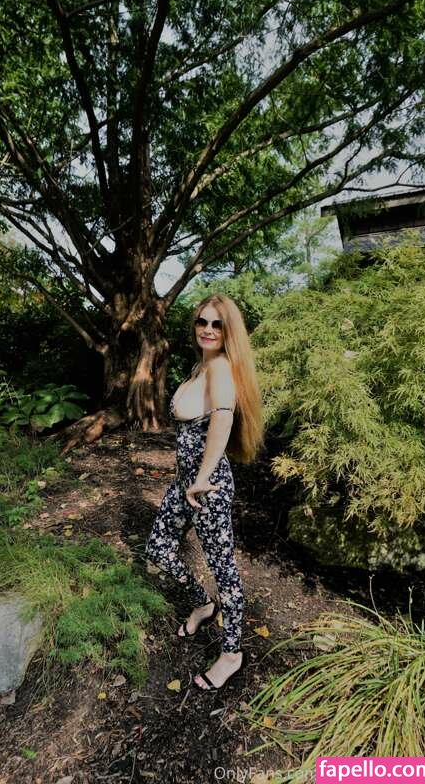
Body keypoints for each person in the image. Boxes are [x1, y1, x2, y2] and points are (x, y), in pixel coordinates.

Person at [145, 293, 264, 692]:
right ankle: (202, 603)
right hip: (185, 483)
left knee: (224, 569)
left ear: (229, 331)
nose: (208, 329)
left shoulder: (221, 368)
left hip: (207, 487)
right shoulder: (201, 366)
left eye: (217, 324)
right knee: (158, 549)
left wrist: (202, 477)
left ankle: (231, 654)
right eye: (202, 321)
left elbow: (222, 420)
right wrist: (187, 479)